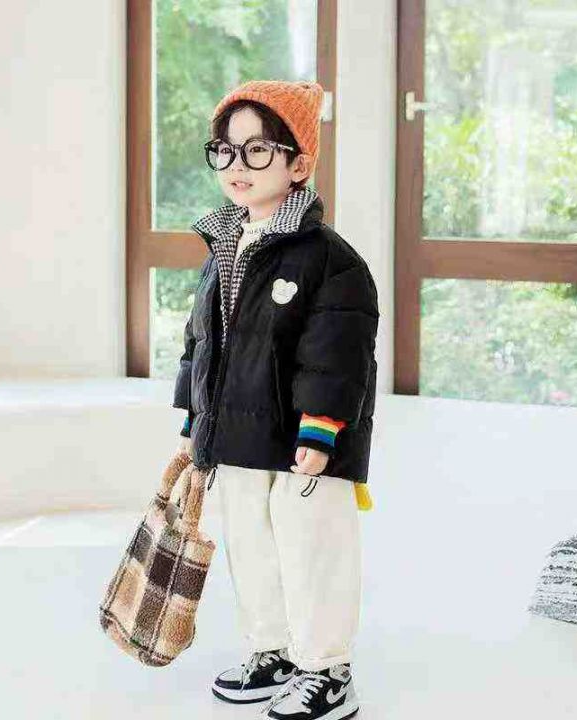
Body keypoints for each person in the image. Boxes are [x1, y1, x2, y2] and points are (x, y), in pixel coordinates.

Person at [172, 79, 379, 720]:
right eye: (225, 150)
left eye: (258, 150)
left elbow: (336, 352)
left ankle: (326, 668)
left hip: (305, 441)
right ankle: (274, 651)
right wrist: (195, 419)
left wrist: (321, 428)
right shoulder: (223, 245)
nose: (238, 165)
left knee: (310, 547)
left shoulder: (329, 260)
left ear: (298, 164)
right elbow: (202, 342)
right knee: (252, 547)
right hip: (238, 433)